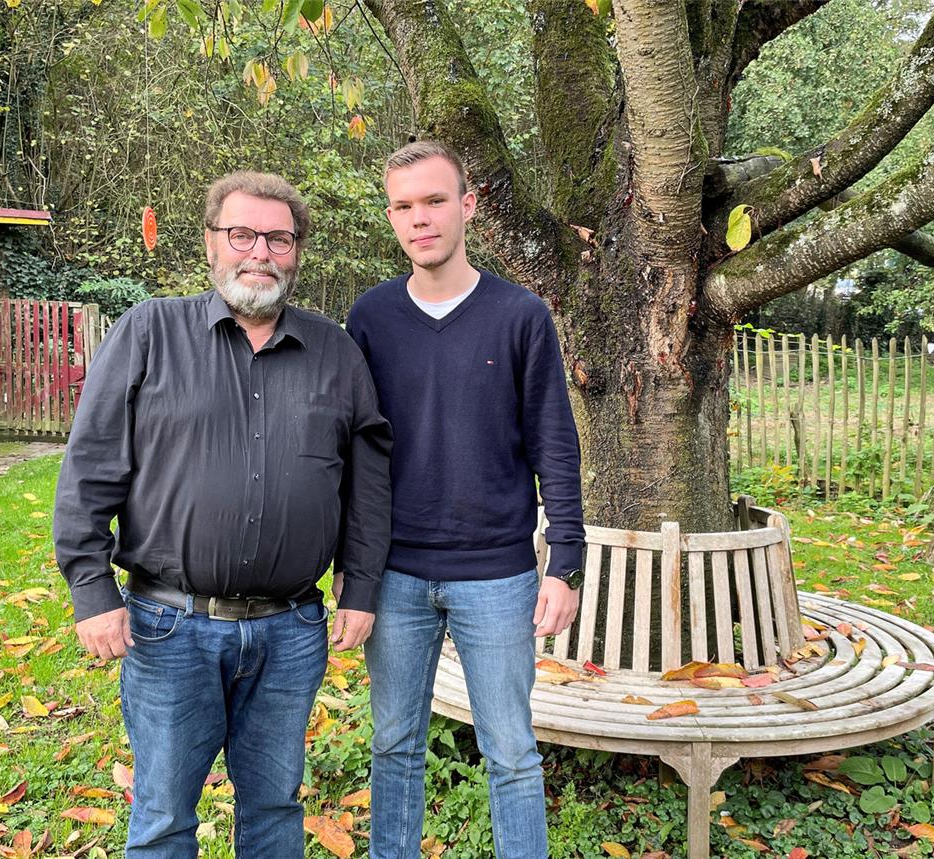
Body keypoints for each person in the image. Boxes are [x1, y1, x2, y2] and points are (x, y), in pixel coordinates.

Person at [53, 171, 392, 858]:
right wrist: (91, 589)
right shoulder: (149, 333)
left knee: (273, 806)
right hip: (168, 626)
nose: (259, 252)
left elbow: (369, 479)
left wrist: (362, 585)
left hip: (292, 630)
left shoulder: (336, 352)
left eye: (278, 238)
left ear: (297, 251)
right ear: (211, 244)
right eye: (242, 234)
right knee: (163, 815)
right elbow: (90, 467)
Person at [347, 141, 585, 859]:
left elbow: (555, 441)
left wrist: (564, 560)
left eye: (434, 200)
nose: (420, 219)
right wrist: (353, 571)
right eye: (403, 206)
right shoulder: (371, 319)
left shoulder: (520, 316)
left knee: (511, 751)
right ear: (391, 217)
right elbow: (355, 454)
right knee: (394, 745)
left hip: (498, 575)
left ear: (468, 205)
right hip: (396, 575)